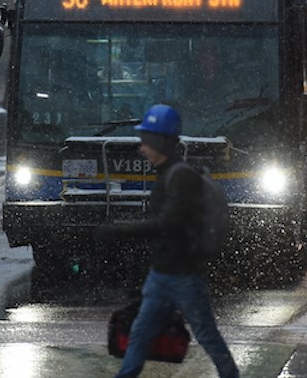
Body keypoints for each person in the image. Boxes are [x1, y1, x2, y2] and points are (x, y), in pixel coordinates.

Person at [95, 104, 239, 378]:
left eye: (146, 141)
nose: (141, 148)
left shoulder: (181, 176)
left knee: (206, 333)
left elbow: (168, 224)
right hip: (162, 273)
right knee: (140, 331)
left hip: (184, 275)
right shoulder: (167, 174)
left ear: (159, 142)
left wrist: (120, 231)